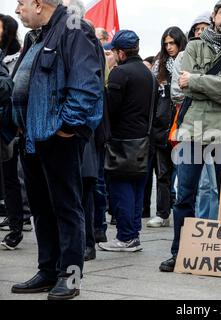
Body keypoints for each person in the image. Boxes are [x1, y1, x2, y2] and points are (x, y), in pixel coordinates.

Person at [10, 0, 104, 300]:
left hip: (57, 136)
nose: (17, 10)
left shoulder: (74, 29)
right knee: (40, 207)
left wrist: (67, 127)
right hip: (32, 137)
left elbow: (87, 84)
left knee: (66, 207)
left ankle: (70, 276)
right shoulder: (35, 36)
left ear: (38, 4)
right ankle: (48, 270)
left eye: (21, 3)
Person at [159, 0, 221, 272]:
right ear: (214, 16)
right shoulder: (193, 46)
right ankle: (179, 252)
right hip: (193, 130)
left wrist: (198, 81)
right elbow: (185, 87)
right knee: (185, 194)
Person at [98, 30, 157, 252]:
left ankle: (125, 236)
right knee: (137, 189)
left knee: (121, 188)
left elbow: (110, 109)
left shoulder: (120, 73)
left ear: (121, 52)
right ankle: (133, 234)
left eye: (113, 51)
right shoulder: (148, 73)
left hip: (122, 141)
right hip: (144, 141)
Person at [169, 12, 219, 221]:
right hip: (190, 126)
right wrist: (210, 87)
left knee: (213, 185)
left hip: (218, 127)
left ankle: (207, 233)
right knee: (185, 189)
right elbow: (177, 92)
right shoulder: (182, 56)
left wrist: (195, 84)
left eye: (204, 28)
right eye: (196, 29)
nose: (200, 32)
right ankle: (183, 243)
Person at [145, 27, 187, 228]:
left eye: (173, 43)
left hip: (183, 124)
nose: (170, 47)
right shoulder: (158, 65)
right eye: (166, 43)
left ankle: (186, 213)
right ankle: (163, 213)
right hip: (162, 125)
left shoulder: (188, 60)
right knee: (162, 173)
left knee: (185, 173)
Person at [0, 14, 33, 250]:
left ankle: (17, 225)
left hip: (9, 126)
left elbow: (8, 88)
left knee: (12, 177)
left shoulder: (17, 56)